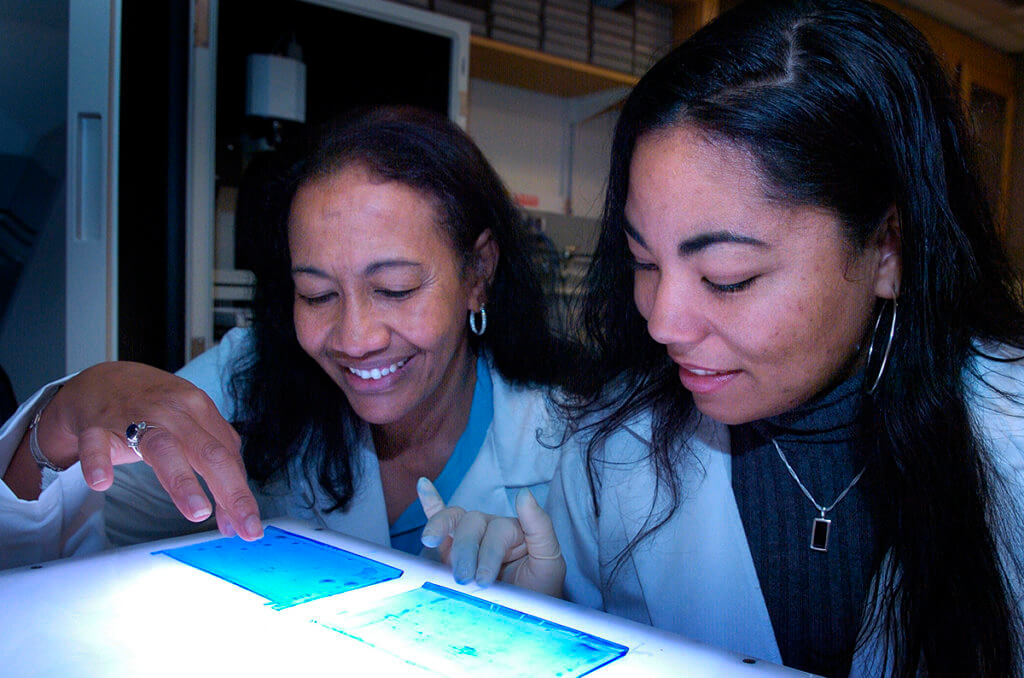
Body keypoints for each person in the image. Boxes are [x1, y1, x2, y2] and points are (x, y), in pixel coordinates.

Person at [419, 2, 1024, 676]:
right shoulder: (611, 449)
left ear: (887, 251)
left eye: (728, 277)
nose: (662, 324)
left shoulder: (1011, 438)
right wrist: (550, 621)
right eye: (644, 263)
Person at [0, 106, 567, 566]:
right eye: (317, 294)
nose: (355, 338)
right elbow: (55, 547)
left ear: (479, 273)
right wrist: (57, 424)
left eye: (394, 289)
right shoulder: (249, 372)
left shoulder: (583, 441)